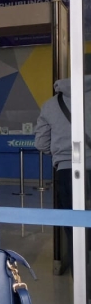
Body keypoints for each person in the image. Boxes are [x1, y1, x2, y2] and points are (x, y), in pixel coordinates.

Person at [35, 76, 91, 274]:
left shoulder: (50, 105)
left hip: (67, 172)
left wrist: (61, 152)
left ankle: (81, 277)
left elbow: (41, 143)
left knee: (74, 228)